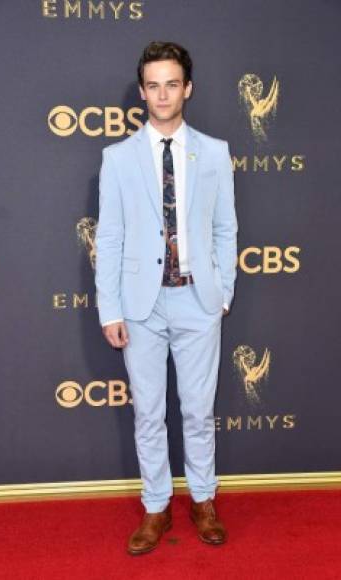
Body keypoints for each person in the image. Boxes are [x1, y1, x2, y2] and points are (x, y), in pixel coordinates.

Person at [95, 41, 238, 555]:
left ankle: (203, 500)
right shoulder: (117, 158)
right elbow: (108, 237)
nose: (162, 93)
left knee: (198, 411)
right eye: (153, 85)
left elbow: (226, 230)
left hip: (199, 303)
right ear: (142, 91)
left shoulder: (215, 153)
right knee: (149, 413)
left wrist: (222, 295)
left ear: (187, 89)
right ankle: (156, 507)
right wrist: (110, 308)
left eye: (172, 83)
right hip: (142, 306)